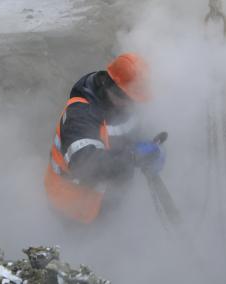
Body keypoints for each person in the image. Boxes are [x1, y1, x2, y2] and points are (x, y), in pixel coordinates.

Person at [44, 53, 165, 224]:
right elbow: (86, 166)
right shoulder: (79, 114)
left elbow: (134, 131)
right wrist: (132, 157)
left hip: (107, 201)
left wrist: (152, 147)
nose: (133, 105)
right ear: (114, 90)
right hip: (73, 209)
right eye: (131, 99)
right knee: (80, 250)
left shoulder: (124, 106)